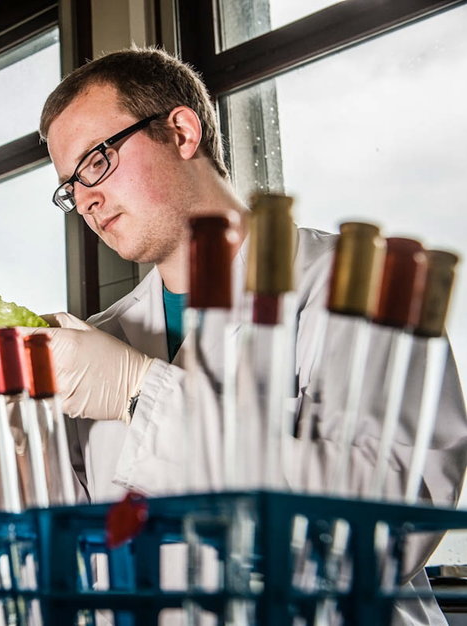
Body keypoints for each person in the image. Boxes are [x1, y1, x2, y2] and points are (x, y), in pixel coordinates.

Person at [30, 47, 467, 624]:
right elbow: (75, 560)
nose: (85, 200)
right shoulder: (102, 342)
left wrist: (141, 395)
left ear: (181, 132)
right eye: (70, 186)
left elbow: (386, 536)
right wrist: (17, 430)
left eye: (96, 161)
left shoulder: (364, 284)